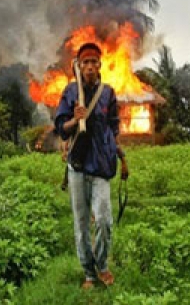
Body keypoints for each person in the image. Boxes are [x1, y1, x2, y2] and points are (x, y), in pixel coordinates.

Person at [55, 42, 128, 289]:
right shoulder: (70, 92)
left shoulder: (108, 93)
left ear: (99, 65)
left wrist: (122, 157)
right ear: (79, 65)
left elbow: (114, 126)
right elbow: (60, 129)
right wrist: (75, 120)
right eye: (84, 62)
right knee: (82, 222)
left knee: (104, 219)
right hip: (77, 164)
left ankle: (103, 265)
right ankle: (89, 273)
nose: (89, 66)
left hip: (102, 165)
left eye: (93, 62)